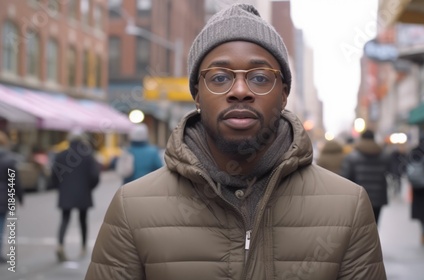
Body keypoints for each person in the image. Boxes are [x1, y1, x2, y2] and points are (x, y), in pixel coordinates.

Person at [85, 4, 386, 279]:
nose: (240, 90)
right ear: (197, 95)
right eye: (219, 78)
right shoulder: (131, 208)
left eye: (259, 77)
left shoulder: (349, 207)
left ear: (283, 94)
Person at [51, 129, 101, 262]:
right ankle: (83, 247)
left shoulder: (61, 155)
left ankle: (60, 245)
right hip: (83, 193)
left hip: (65, 192)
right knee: (83, 221)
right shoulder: (88, 156)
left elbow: (54, 175)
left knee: (64, 219)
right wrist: (89, 188)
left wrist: (60, 187)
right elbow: (95, 176)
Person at [341, 129, 391, 225]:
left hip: (359, 197)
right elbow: (389, 172)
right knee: (375, 225)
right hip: (378, 196)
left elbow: (346, 178)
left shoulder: (351, 157)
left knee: (361, 227)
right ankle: (374, 240)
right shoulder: (384, 156)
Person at [0, 131, 24, 263]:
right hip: (3, 198)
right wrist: (20, 197)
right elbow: (15, 181)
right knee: (0, 225)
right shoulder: (9, 159)